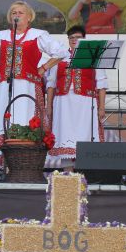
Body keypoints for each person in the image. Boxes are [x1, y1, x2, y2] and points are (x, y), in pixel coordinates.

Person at [0, 1, 69, 165]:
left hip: (27, 87)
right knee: (5, 119)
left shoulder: (38, 35)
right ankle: (6, 164)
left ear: (29, 17)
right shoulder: (2, 36)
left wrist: (44, 68)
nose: (16, 15)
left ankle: (25, 163)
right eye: (13, 13)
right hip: (6, 86)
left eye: (20, 13)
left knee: (25, 118)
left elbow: (61, 51)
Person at [45, 26, 107, 164]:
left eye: (78, 37)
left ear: (84, 39)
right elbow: (51, 83)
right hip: (63, 102)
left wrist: (102, 107)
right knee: (64, 134)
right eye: (71, 37)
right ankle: (67, 171)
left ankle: (84, 171)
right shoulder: (59, 57)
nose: (74, 40)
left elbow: (101, 83)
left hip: (85, 102)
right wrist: (48, 106)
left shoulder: (93, 56)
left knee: (85, 134)